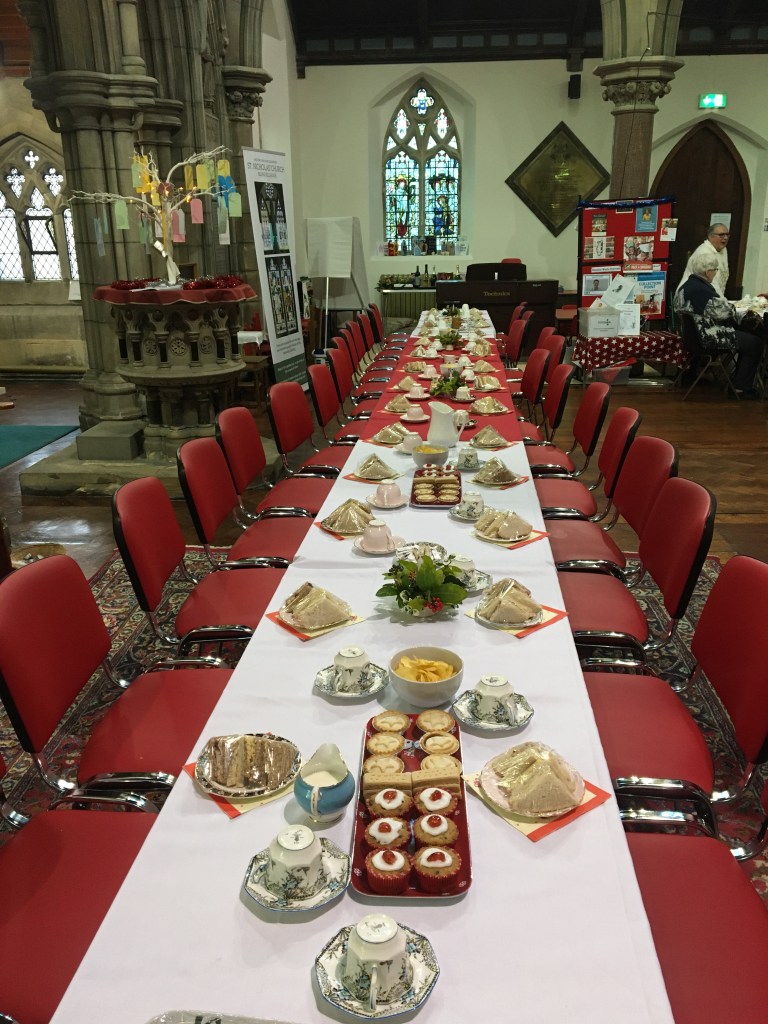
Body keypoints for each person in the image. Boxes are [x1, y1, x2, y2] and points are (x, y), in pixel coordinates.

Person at [678, 251, 764, 397]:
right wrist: (736, 308)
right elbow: (724, 313)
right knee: (754, 342)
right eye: (715, 270)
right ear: (708, 272)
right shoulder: (702, 290)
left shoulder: (687, 285)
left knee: (748, 338)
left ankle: (738, 381)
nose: (715, 273)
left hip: (692, 336)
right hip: (707, 337)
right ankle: (741, 387)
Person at [676, 222, 730, 299]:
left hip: (711, 296)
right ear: (710, 236)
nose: (725, 238)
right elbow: (711, 282)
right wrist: (722, 302)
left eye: (727, 235)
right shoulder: (704, 253)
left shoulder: (723, 250)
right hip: (694, 297)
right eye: (721, 235)